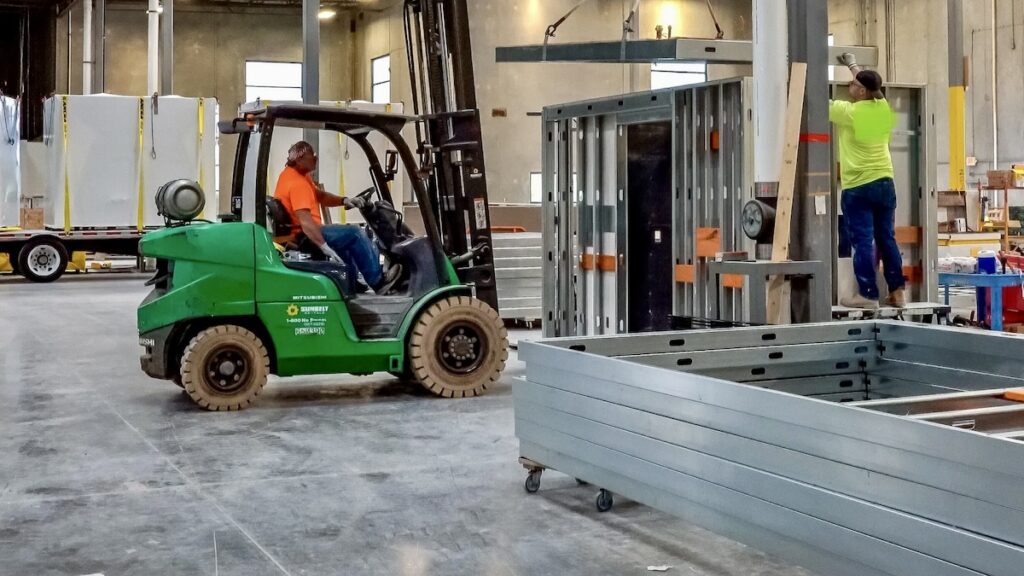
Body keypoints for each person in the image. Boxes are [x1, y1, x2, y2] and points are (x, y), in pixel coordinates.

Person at [274, 140, 401, 294]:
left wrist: (344, 200)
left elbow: (319, 195)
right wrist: (324, 246)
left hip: (307, 232)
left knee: (345, 241)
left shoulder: (296, 175)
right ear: (299, 159)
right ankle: (378, 281)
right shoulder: (296, 183)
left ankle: (352, 283)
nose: (316, 159)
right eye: (311, 156)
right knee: (355, 233)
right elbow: (306, 223)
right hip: (306, 235)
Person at [831, 53, 906, 310]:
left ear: (861, 92)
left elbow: (817, 101)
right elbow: (869, 85)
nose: (849, 86)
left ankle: (868, 295)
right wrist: (852, 65)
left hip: (858, 188)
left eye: (853, 85)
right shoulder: (883, 108)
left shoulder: (848, 112)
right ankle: (897, 292)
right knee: (887, 238)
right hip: (885, 182)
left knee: (862, 241)